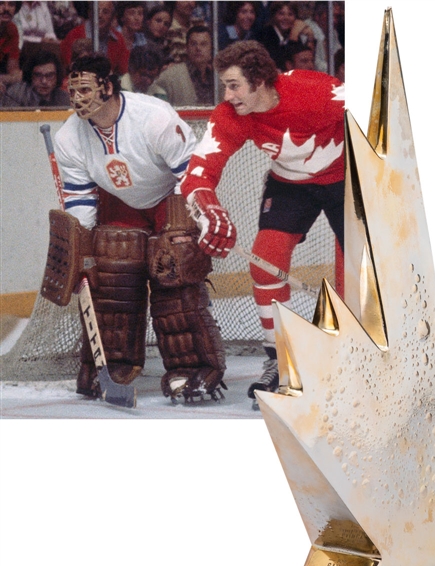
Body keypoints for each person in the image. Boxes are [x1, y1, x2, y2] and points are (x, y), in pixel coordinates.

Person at [52, 53, 226, 403]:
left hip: (171, 197)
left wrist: (186, 225)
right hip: (121, 203)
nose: (77, 97)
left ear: (108, 86)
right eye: (73, 89)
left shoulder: (154, 117)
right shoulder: (69, 136)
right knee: (109, 270)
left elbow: (189, 174)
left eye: (85, 88)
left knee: (173, 270)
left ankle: (191, 365)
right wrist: (83, 252)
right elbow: (82, 202)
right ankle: (112, 362)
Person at [180, 40, 344, 409]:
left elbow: (380, 121)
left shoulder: (315, 90)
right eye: (225, 85)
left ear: (259, 80)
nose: (227, 94)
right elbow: (198, 173)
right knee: (264, 263)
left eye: (234, 84)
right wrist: (209, 210)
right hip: (289, 186)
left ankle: (363, 354)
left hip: (345, 181)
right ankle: (280, 361)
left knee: (361, 272)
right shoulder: (230, 114)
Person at [60, 1, 129, 75]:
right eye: (96, 11)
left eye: (105, 12)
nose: (99, 15)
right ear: (89, 13)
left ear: (113, 17)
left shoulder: (118, 39)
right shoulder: (74, 35)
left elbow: (124, 71)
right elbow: (70, 68)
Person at [154, 25, 213, 106]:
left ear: (211, 48)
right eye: (193, 44)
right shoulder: (169, 77)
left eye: (203, 44)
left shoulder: (218, 79)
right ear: (186, 48)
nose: (198, 48)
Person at [257, 1, 315, 73]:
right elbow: (283, 65)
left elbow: (306, 60)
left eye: (290, 14)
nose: (286, 18)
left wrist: (310, 38)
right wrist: (293, 38)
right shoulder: (264, 35)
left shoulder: (293, 32)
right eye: (281, 14)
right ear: (273, 16)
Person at [0, 47, 69, 106]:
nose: (44, 81)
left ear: (57, 76)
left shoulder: (64, 98)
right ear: (30, 75)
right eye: (38, 75)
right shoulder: (15, 96)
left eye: (49, 75)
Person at [0, 1, 22, 97]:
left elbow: (14, 73)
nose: (6, 9)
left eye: (11, 4)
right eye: (1, 4)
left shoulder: (11, 29)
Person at [144, 3, 172, 69]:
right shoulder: (138, 41)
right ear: (148, 22)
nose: (162, 26)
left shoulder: (165, 45)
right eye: (158, 21)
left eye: (166, 24)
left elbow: (170, 61)